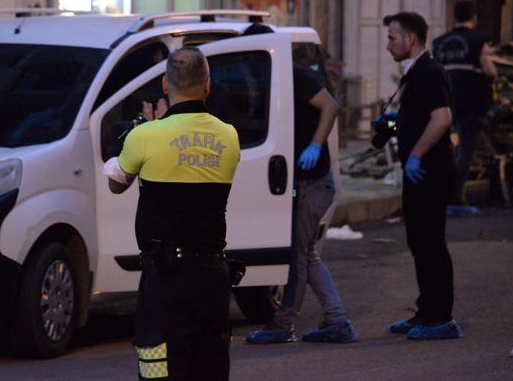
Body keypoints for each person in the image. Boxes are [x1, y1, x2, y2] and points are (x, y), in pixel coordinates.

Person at [103, 46, 240, 380]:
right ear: (207, 84)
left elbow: (116, 184)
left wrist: (130, 142)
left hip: (166, 279)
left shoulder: (144, 136)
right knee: (209, 369)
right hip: (212, 275)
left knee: (159, 368)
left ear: (165, 83)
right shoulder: (229, 136)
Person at [245, 64, 358, 345]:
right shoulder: (276, 82)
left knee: (299, 256)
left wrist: (315, 145)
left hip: (314, 184)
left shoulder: (295, 76)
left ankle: (283, 323)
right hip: (309, 184)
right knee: (307, 254)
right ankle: (337, 320)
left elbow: (330, 106)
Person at [382, 12, 463, 340]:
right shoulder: (416, 73)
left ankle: (441, 317)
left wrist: (415, 155)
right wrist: (389, 124)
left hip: (430, 172)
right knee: (419, 240)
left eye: (392, 37)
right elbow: (417, 117)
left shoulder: (429, 72)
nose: (388, 45)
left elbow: (441, 119)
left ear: (411, 39)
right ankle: (426, 311)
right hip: (419, 174)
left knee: (431, 242)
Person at [432, 1, 497, 213]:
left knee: (450, 151)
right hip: (472, 105)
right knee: (466, 154)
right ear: (474, 18)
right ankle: (455, 197)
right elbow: (490, 73)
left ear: (454, 18)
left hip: (445, 104)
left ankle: (442, 192)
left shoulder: (439, 43)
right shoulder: (479, 43)